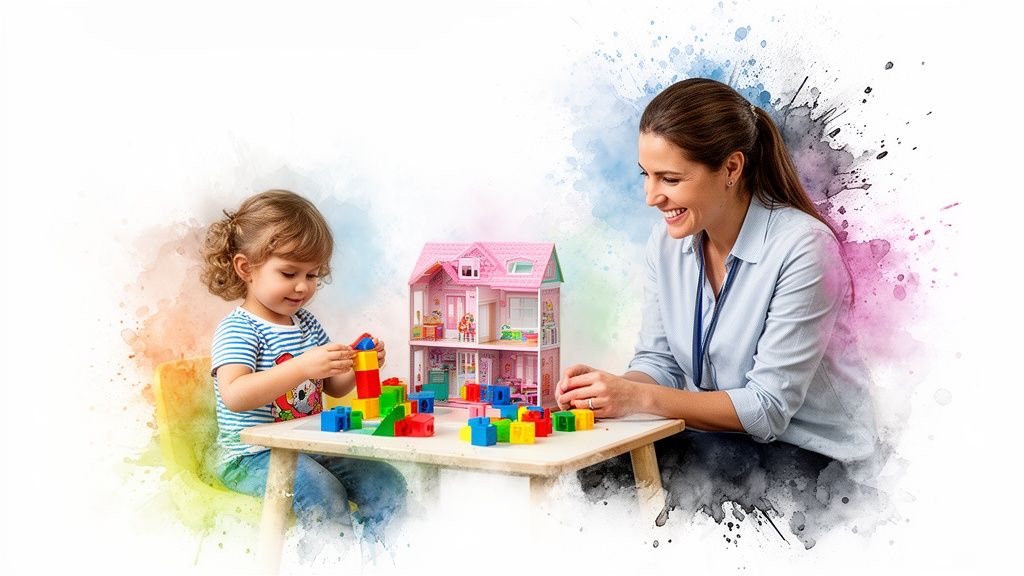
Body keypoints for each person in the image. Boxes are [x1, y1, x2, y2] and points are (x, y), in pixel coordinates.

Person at [557, 79, 878, 529]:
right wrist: (611, 393)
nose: (652, 197)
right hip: (720, 443)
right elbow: (659, 361)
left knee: (645, 500)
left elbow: (766, 409)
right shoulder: (668, 243)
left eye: (670, 179)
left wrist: (639, 396)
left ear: (731, 168)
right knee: (587, 476)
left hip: (812, 459)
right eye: (645, 176)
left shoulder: (804, 249)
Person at [201, 189, 406, 552]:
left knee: (386, 482)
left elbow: (334, 388)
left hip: (309, 445)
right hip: (251, 457)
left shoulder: (306, 323)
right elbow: (235, 395)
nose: (302, 286)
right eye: (289, 272)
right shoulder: (239, 329)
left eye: (312, 275)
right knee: (323, 494)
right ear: (245, 268)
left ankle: (382, 561)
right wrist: (301, 366)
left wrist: (362, 366)